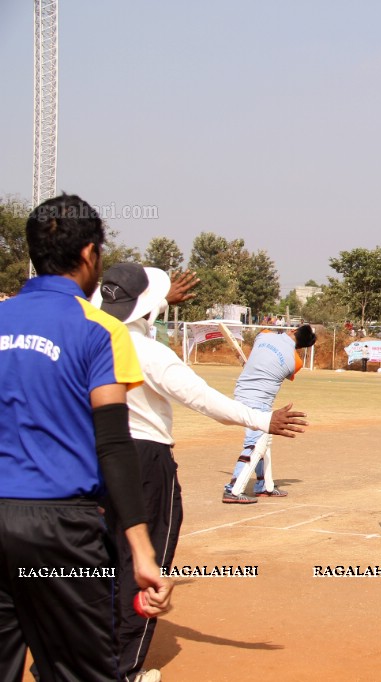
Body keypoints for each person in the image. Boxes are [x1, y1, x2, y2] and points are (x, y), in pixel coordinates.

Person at [93, 263, 309, 681]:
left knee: (100, 564)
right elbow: (202, 398)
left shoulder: (85, 338)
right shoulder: (150, 353)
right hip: (144, 461)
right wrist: (263, 421)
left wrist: (154, 302)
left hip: (92, 457)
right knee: (144, 561)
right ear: (151, 309)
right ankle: (123, 672)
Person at [0, 194, 172, 681]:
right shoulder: (99, 329)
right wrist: (141, 548)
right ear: (90, 254)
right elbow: (114, 443)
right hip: (61, 528)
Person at [223, 324, 317, 503]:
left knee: (264, 440)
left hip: (243, 392)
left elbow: (260, 359)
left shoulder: (264, 335)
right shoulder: (295, 363)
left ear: (294, 330)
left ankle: (264, 486)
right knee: (255, 443)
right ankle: (233, 489)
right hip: (257, 400)